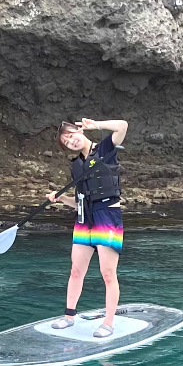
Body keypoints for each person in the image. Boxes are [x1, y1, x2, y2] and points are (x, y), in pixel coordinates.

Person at [45, 116, 128, 337]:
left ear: (80, 132)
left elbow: (123, 126)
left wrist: (97, 125)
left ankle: (108, 323)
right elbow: (79, 200)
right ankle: (69, 317)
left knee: (108, 273)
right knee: (76, 270)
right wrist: (60, 199)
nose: (71, 141)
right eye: (66, 142)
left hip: (107, 215)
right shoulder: (77, 167)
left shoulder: (105, 149)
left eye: (72, 135)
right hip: (84, 217)